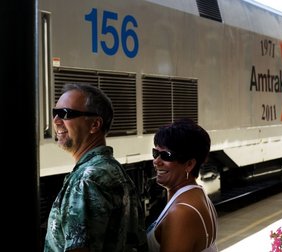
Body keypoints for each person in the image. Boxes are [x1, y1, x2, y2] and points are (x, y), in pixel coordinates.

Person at [44, 83, 147, 252]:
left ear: (95, 125)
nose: (55, 121)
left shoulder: (88, 179)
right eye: (55, 113)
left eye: (65, 114)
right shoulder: (112, 169)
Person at [146, 118, 218, 252]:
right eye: (155, 153)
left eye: (166, 155)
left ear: (189, 164)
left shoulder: (181, 212)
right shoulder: (198, 195)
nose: (156, 161)